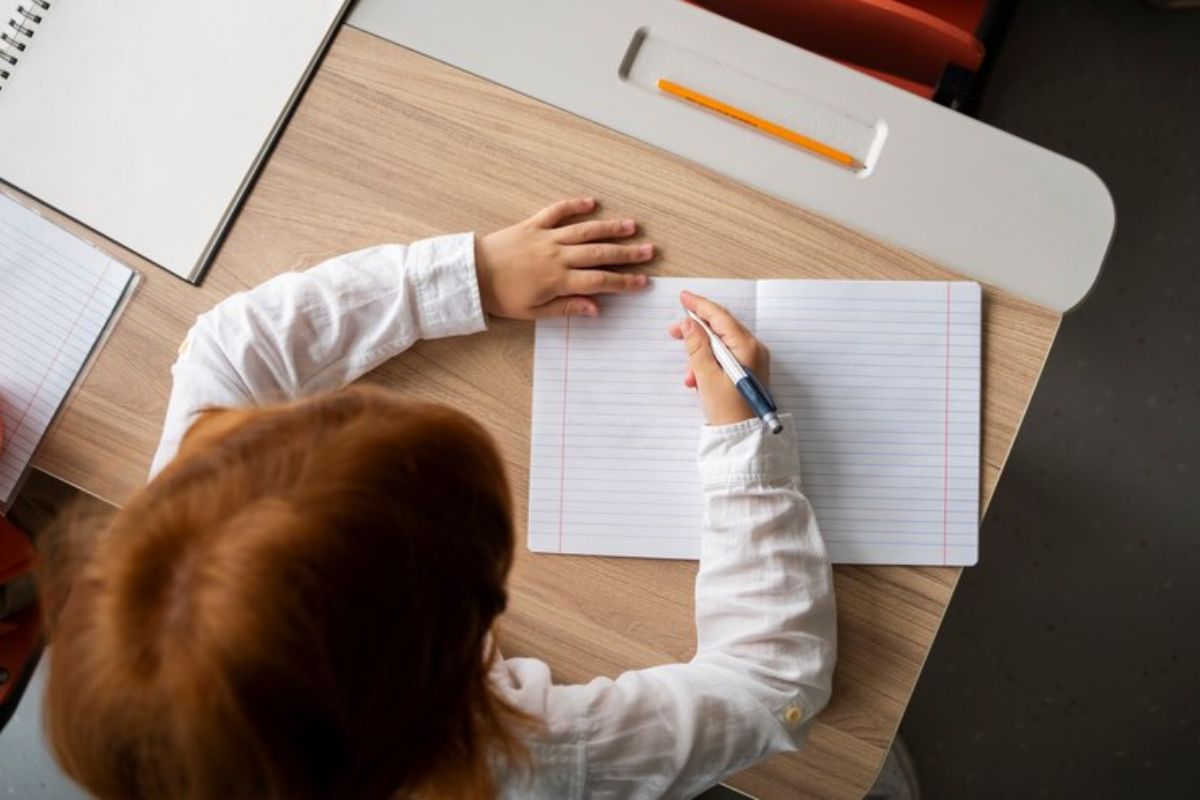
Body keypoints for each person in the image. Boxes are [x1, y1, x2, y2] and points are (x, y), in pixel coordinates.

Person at [37, 197, 836, 799]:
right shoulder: (520, 760)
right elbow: (772, 685)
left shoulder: (186, 545)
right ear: (472, 629)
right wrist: (747, 453)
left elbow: (225, 349)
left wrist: (467, 278)